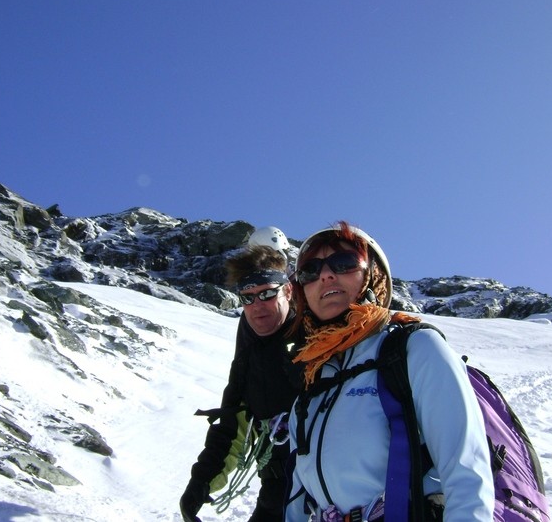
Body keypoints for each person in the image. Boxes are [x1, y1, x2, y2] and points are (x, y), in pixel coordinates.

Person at [284, 221, 495, 521]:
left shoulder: (414, 349)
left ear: (374, 277)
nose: (326, 274)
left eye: (343, 263)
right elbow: (297, 497)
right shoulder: (312, 384)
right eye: (310, 270)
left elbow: (466, 472)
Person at [180, 244, 303, 522]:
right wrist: (201, 483)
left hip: (327, 494)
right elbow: (232, 422)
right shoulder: (250, 349)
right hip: (277, 487)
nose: (257, 306)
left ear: (289, 291)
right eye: (248, 297)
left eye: (267, 293)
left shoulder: (318, 338)